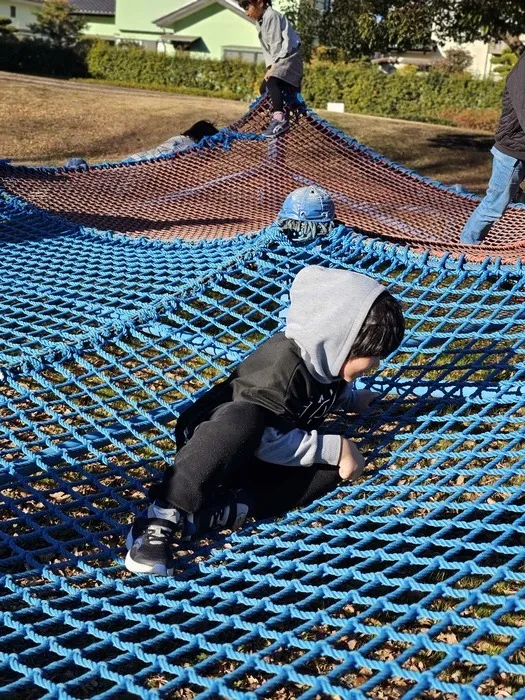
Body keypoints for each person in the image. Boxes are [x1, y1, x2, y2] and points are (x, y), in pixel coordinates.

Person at [125, 265, 405, 576]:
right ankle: (161, 515)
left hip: (262, 451)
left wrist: (352, 400)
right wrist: (335, 447)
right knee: (245, 418)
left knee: (332, 471)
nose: (377, 364)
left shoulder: (328, 363)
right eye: (373, 355)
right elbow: (265, 440)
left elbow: (322, 394)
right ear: (339, 340)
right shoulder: (281, 370)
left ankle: (227, 509)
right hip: (215, 441)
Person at [460, 51, 525, 245]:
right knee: (493, 206)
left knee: (508, 199)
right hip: (512, 153)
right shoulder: (522, 72)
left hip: (520, 151)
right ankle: (465, 249)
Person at [239, 0, 303, 139]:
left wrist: (273, 68)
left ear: (260, 3)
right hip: (280, 57)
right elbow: (267, 50)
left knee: (273, 83)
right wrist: (270, 67)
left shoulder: (271, 16)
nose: (246, 12)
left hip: (290, 57)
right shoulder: (260, 22)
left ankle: (280, 119)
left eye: (247, 7)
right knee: (264, 89)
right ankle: (277, 116)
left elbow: (276, 45)